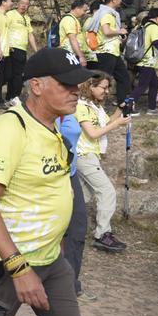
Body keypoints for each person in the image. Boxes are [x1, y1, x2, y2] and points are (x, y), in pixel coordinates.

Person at [0, 48, 91, 316]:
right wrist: (19, 269)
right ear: (36, 86)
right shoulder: (11, 128)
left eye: (77, 84)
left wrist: (58, 241)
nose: (76, 91)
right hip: (6, 265)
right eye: (66, 84)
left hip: (51, 260)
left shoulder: (51, 127)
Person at [75, 73, 130, 253]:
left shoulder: (94, 106)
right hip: (84, 156)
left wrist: (120, 110)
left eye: (108, 88)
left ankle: (66, 230)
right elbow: (93, 133)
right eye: (103, 88)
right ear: (91, 86)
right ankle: (102, 235)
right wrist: (117, 125)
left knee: (82, 196)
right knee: (107, 191)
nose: (106, 91)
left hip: (91, 156)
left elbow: (107, 122)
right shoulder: (80, 106)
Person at [55, 113, 95, 303]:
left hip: (70, 175)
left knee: (77, 229)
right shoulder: (45, 108)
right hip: (49, 177)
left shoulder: (72, 109)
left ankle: (70, 286)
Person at [86, 0, 130, 107]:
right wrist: (119, 31)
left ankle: (122, 104)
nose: (121, 0)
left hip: (113, 52)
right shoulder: (106, 13)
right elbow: (106, 31)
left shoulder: (108, 13)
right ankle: (92, 104)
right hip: (106, 52)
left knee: (124, 78)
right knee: (101, 81)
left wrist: (119, 36)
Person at [129, 8, 158, 114]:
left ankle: (152, 108)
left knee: (154, 84)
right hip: (147, 61)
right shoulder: (153, 27)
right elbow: (156, 42)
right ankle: (128, 107)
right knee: (142, 86)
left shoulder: (142, 26)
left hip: (142, 60)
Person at [6, 0, 38, 104]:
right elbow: (4, 29)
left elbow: (30, 34)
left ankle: (12, 96)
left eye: (27, 4)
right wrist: (7, 44)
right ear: (18, 4)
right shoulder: (10, 14)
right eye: (22, 3)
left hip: (22, 49)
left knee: (18, 74)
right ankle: (12, 96)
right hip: (12, 48)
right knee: (12, 74)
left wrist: (35, 50)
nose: (24, 6)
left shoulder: (27, 18)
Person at [59, 0, 89, 67]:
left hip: (73, 54)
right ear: (77, 8)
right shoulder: (69, 20)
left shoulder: (74, 20)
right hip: (69, 55)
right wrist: (81, 56)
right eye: (84, 10)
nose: (85, 13)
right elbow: (73, 39)